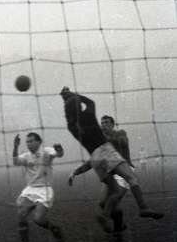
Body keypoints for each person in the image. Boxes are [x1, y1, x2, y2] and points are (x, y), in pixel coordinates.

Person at [60, 87, 163, 231]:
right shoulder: (89, 116)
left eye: (107, 123)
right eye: (103, 123)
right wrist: (74, 95)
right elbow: (90, 102)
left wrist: (67, 99)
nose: (104, 125)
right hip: (106, 151)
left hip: (96, 158)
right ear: (78, 105)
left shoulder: (71, 126)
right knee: (128, 181)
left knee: (113, 194)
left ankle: (108, 218)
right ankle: (142, 208)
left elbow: (122, 142)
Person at [13, 132, 64, 242]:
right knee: (21, 215)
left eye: (31, 141)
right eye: (27, 142)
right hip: (30, 190)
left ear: (39, 142)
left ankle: (54, 229)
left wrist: (59, 149)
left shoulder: (47, 151)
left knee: (38, 219)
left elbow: (59, 154)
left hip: (45, 190)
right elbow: (15, 161)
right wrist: (15, 147)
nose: (29, 144)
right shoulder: (26, 156)